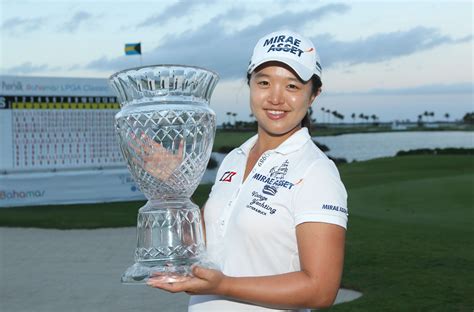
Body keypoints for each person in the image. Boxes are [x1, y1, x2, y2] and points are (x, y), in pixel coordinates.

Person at [147, 30, 349, 311]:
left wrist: (223, 286)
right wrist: (173, 188)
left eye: (292, 86)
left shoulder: (316, 172)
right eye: (264, 82)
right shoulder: (234, 159)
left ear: (313, 95)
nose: (275, 98)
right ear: (250, 84)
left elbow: (320, 290)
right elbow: (199, 250)